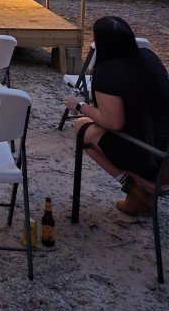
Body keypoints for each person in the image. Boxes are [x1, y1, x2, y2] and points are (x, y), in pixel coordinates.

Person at [66, 16, 169, 217]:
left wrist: (79, 105)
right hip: (165, 152)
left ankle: (135, 189)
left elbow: (113, 122)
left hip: (152, 162)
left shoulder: (107, 70)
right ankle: (136, 198)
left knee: (82, 127)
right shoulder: (149, 57)